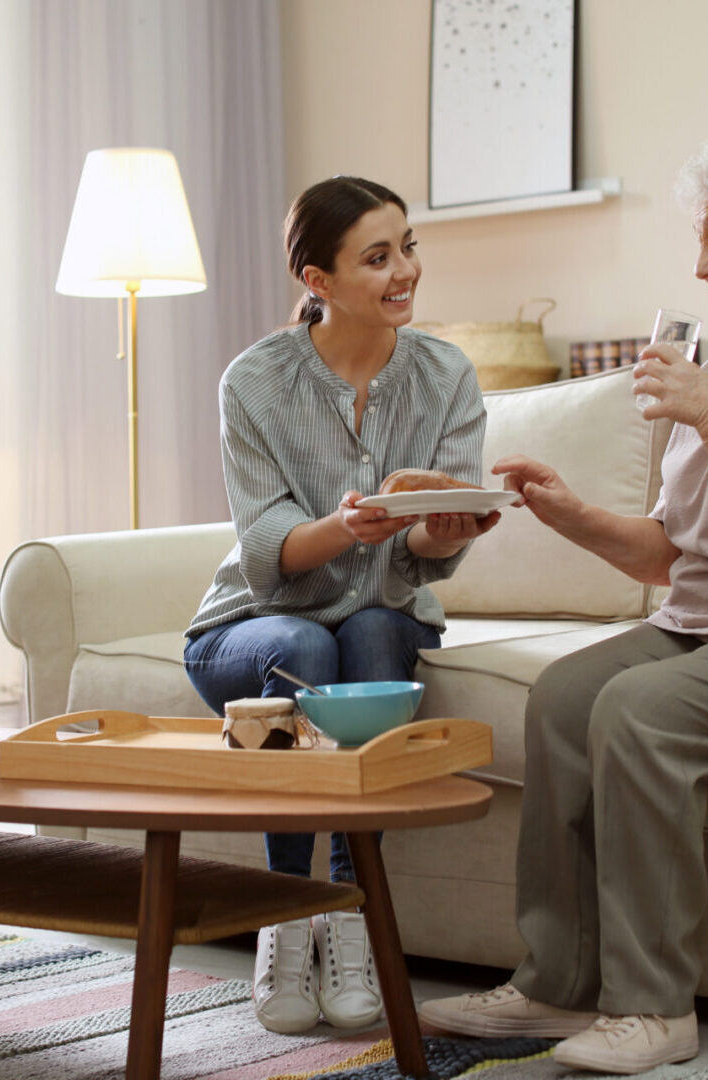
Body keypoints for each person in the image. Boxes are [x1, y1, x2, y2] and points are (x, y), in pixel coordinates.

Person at [419, 131, 708, 1074]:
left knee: (641, 711)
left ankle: (655, 1009)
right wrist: (568, 514)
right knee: (565, 695)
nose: (701, 268)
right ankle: (552, 986)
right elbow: (671, 553)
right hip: (704, 624)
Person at [183, 175, 499, 1035]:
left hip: (380, 611)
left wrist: (440, 529)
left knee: (369, 631)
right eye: (378, 257)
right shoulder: (255, 381)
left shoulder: (445, 374)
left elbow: (430, 557)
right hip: (248, 629)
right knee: (309, 648)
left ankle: (349, 916)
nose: (406, 271)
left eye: (409, 247)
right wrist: (349, 527)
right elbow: (267, 552)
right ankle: (289, 917)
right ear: (317, 281)